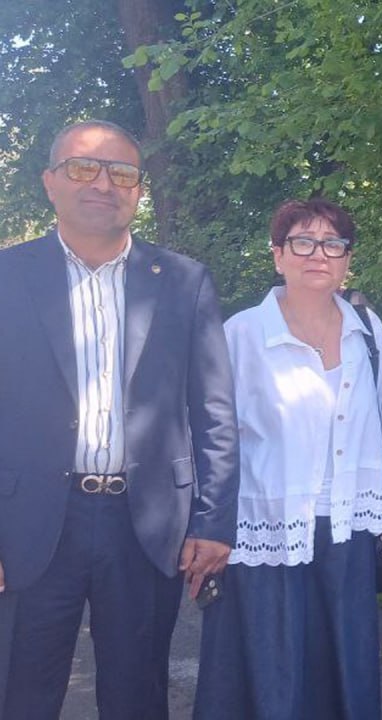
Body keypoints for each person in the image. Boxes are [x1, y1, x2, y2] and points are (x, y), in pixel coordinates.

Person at [0, 119, 239, 718]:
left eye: (122, 173)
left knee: (137, 697)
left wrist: (213, 520)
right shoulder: (8, 278)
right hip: (27, 522)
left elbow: (214, 411)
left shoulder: (183, 282)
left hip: (145, 524)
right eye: (84, 167)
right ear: (50, 182)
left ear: (139, 190)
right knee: (19, 693)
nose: (103, 183)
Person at [193, 198, 382, 719]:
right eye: (303, 242)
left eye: (333, 243)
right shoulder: (241, 335)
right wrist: (205, 526)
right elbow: (209, 438)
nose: (319, 254)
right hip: (265, 532)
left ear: (348, 258)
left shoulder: (369, 333)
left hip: (349, 532)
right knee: (271, 672)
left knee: (342, 669)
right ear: (278, 254)